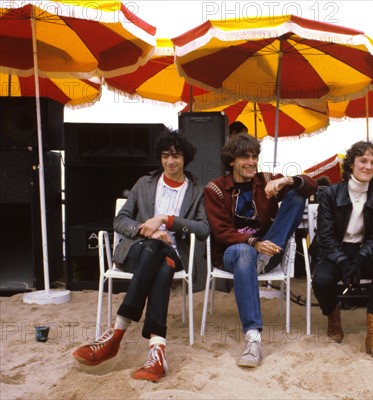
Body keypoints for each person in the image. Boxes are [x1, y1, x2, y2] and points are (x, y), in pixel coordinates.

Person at [72, 130, 210, 381]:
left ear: (185, 158)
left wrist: (168, 220)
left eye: (176, 156)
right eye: (165, 155)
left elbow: (203, 229)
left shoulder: (197, 190)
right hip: (138, 249)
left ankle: (116, 333)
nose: (170, 161)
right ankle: (157, 353)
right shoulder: (143, 183)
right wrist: (145, 230)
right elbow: (120, 219)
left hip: (175, 253)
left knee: (163, 258)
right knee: (158, 255)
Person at [203, 133, 317, 368]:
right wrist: (254, 243)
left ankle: (261, 260)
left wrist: (287, 181)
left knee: (297, 196)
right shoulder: (214, 189)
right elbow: (221, 231)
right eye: (245, 157)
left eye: (255, 156)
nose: (252, 162)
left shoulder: (265, 180)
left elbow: (312, 185)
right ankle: (253, 338)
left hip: (268, 249)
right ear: (231, 161)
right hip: (233, 253)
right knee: (244, 254)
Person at [311, 141, 373, 358]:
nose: (368, 166)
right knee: (320, 280)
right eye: (363, 161)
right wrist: (343, 261)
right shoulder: (330, 194)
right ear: (351, 165)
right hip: (333, 252)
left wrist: (359, 259)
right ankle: (334, 319)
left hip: (363, 252)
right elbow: (325, 235)